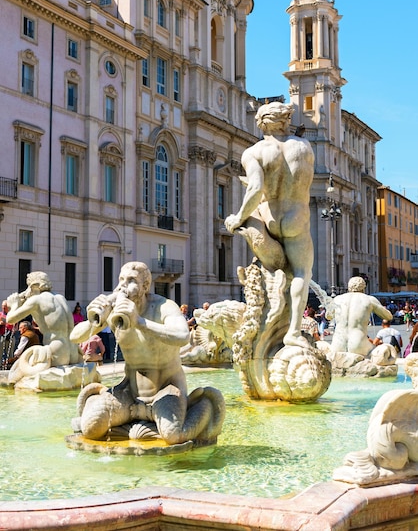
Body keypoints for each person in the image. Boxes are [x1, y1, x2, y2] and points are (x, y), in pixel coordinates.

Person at [70, 261, 225, 443]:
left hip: (166, 389)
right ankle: (96, 402)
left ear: (145, 286)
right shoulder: (116, 310)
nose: (122, 286)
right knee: (90, 429)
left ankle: (202, 405)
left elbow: (183, 335)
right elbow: (75, 336)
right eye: (121, 280)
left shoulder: (164, 306)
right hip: (129, 392)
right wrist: (94, 320)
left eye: (131, 280)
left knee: (174, 436)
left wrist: (139, 321)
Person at [225, 101, 314, 349]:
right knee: (301, 275)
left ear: (261, 123)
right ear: (285, 121)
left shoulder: (253, 152)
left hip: (270, 218)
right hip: (297, 218)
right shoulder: (305, 147)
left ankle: (268, 320)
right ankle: (293, 332)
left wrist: (239, 217)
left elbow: (255, 189)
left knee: (271, 267)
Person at [6, 271, 80, 367]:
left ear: (35, 286)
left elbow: (11, 319)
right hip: (73, 351)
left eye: (29, 286)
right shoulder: (60, 297)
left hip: (57, 350)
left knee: (18, 369)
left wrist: (14, 304)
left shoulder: (37, 300)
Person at [330, 277, 393, 357]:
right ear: (364, 288)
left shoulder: (337, 299)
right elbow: (389, 316)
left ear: (349, 287)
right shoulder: (369, 299)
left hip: (337, 343)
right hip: (358, 343)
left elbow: (328, 316)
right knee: (377, 354)